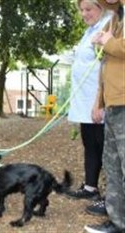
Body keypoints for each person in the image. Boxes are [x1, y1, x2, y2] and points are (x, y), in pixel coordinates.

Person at [65, 0, 111, 217]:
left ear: (101, 7)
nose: (84, 14)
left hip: (98, 102)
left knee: (106, 149)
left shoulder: (109, 26)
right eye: (81, 10)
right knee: (90, 143)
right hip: (84, 103)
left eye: (88, 9)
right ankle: (90, 187)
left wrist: (98, 103)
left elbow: (105, 67)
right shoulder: (90, 31)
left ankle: (111, 199)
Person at [84, 0, 125, 232]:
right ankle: (118, 222)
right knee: (113, 165)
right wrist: (100, 100)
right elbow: (107, 62)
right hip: (113, 102)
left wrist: (108, 42)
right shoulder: (114, 18)